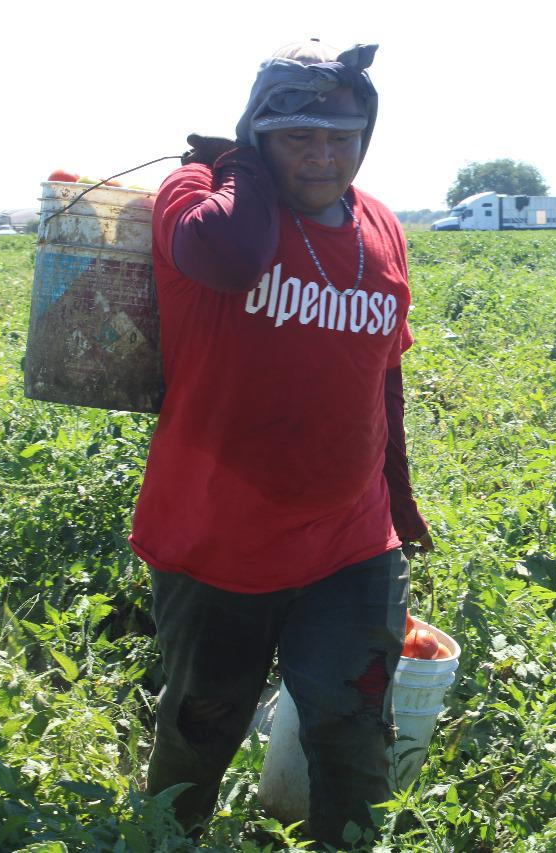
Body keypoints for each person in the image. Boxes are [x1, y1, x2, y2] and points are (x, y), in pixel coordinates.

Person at [129, 40, 432, 845]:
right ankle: (170, 836)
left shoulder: (381, 225)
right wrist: (241, 167)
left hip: (351, 541)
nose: (324, 156)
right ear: (256, 133)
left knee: (352, 720)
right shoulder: (198, 195)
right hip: (217, 536)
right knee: (203, 722)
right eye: (298, 135)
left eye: (342, 137)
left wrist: (399, 505)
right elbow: (225, 257)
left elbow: (382, 376)